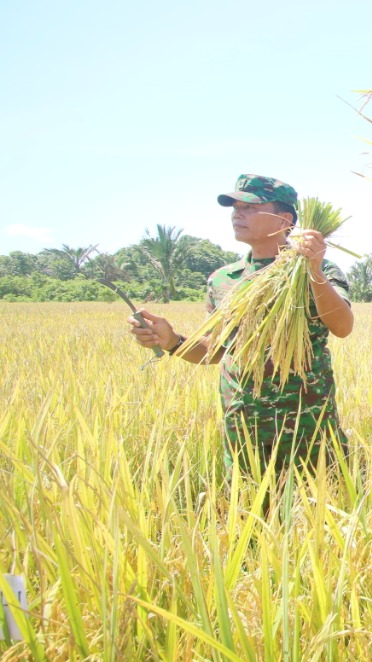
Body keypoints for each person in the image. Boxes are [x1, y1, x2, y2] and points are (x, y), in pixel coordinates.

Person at [128, 174, 354, 475]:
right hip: (244, 427)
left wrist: (313, 270)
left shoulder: (318, 268)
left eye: (250, 207)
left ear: (283, 219)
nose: (237, 213)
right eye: (235, 207)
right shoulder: (224, 279)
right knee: (250, 513)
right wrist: (171, 341)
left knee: (319, 512)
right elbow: (216, 351)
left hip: (306, 422)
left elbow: (342, 326)